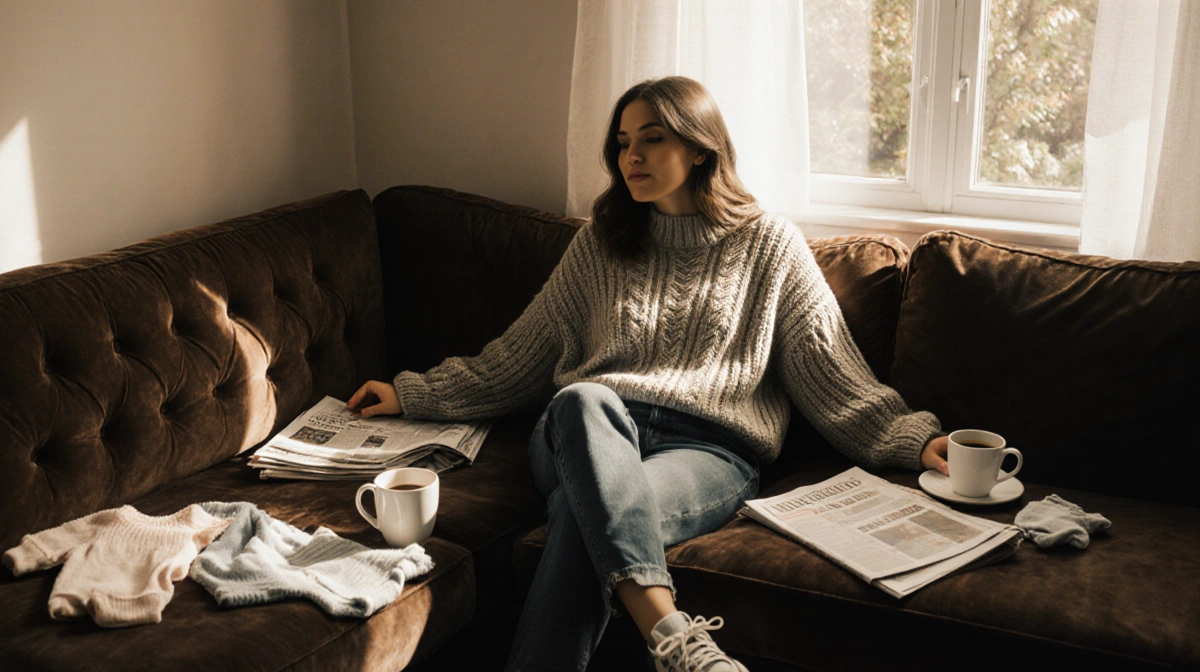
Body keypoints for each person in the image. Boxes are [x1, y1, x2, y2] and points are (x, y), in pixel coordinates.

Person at [347, 76, 950, 672]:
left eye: (652, 138)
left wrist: (914, 440)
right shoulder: (600, 244)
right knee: (583, 400)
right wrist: (412, 392)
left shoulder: (769, 245)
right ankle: (673, 636)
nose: (630, 156)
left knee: (578, 522)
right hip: (586, 433)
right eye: (621, 141)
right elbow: (518, 358)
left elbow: (832, 373)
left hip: (707, 453)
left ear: (699, 147)